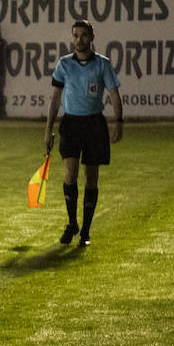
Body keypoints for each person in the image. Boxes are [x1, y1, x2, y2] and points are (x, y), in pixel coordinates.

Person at [44, 18, 123, 247]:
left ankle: (85, 231)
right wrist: (48, 130)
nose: (79, 40)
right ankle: (72, 223)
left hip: (94, 125)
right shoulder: (64, 64)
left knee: (91, 177)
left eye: (84, 35)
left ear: (92, 37)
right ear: (72, 38)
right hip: (70, 124)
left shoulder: (103, 64)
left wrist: (118, 121)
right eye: (75, 35)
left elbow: (114, 94)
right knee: (70, 173)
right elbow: (55, 98)